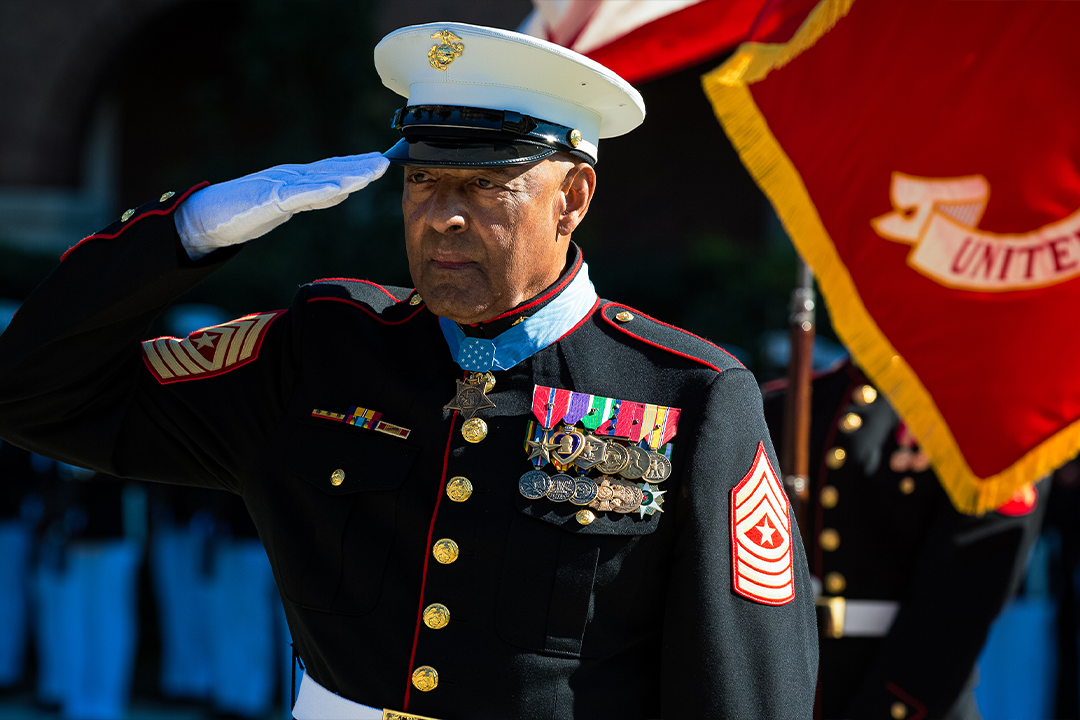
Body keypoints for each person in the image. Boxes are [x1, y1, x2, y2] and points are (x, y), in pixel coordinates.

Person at [0, 22, 817, 720]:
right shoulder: (323, 350)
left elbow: (743, 690)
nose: (442, 215)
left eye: (484, 185)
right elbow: (32, 396)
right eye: (422, 180)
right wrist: (188, 232)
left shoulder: (688, 394)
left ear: (572, 197)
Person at [762, 358, 1045, 720]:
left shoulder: (979, 416)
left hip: (909, 695)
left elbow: (962, 599)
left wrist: (892, 707)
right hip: (795, 690)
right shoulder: (784, 403)